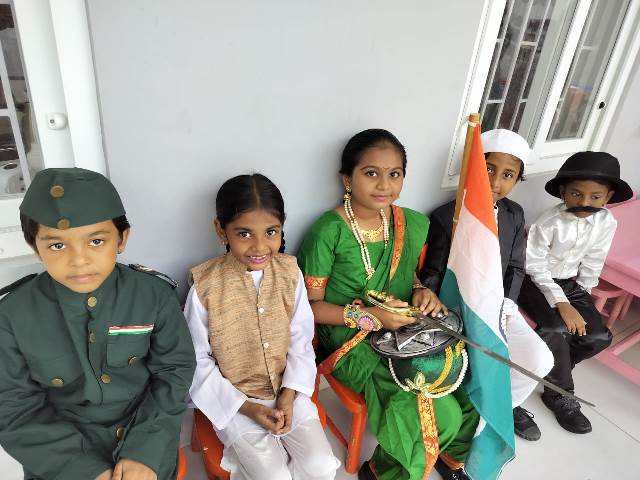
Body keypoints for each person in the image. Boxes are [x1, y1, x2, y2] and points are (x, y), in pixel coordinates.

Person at [297, 129, 479, 480]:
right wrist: (371, 318)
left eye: (394, 174)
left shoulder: (407, 222)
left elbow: (408, 277)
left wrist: (421, 290)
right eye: (371, 173)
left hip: (403, 324)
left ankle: (448, 456)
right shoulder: (327, 232)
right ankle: (383, 472)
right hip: (349, 337)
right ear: (347, 179)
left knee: (466, 376)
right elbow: (310, 308)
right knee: (436, 413)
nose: (384, 185)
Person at [0, 167, 196, 480]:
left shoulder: (152, 295)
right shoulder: (12, 315)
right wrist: (86, 471)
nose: (79, 260)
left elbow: (174, 371)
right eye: (57, 245)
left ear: (122, 239)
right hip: (60, 459)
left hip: (145, 439)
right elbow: (13, 409)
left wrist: (145, 451)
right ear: (35, 246)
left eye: (95, 241)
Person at [184, 174, 338, 480]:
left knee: (321, 465)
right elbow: (196, 361)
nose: (259, 246)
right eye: (244, 233)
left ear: (282, 228)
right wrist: (248, 408)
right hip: (235, 402)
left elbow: (300, 340)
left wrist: (289, 395)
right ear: (221, 230)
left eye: (271, 232)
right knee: (273, 476)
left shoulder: (290, 272)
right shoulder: (205, 286)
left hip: (288, 391)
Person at [419, 129, 554, 442]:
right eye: (488, 169)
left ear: (517, 179)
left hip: (499, 306)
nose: (495, 181)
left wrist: (509, 303)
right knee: (480, 362)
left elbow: (516, 266)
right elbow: (433, 272)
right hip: (457, 309)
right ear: (473, 168)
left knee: (539, 359)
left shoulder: (514, 214)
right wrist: (436, 311)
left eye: (508, 174)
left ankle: (500, 410)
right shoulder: (446, 216)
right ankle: (469, 416)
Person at [518, 151, 633, 434]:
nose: (585, 202)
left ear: (608, 197)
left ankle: (555, 369)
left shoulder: (607, 222)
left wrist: (582, 298)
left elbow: (593, 260)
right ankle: (559, 394)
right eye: (576, 194)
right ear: (563, 192)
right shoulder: (548, 223)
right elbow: (534, 266)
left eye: (596, 196)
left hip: (571, 283)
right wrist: (562, 304)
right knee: (555, 329)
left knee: (598, 337)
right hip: (533, 281)